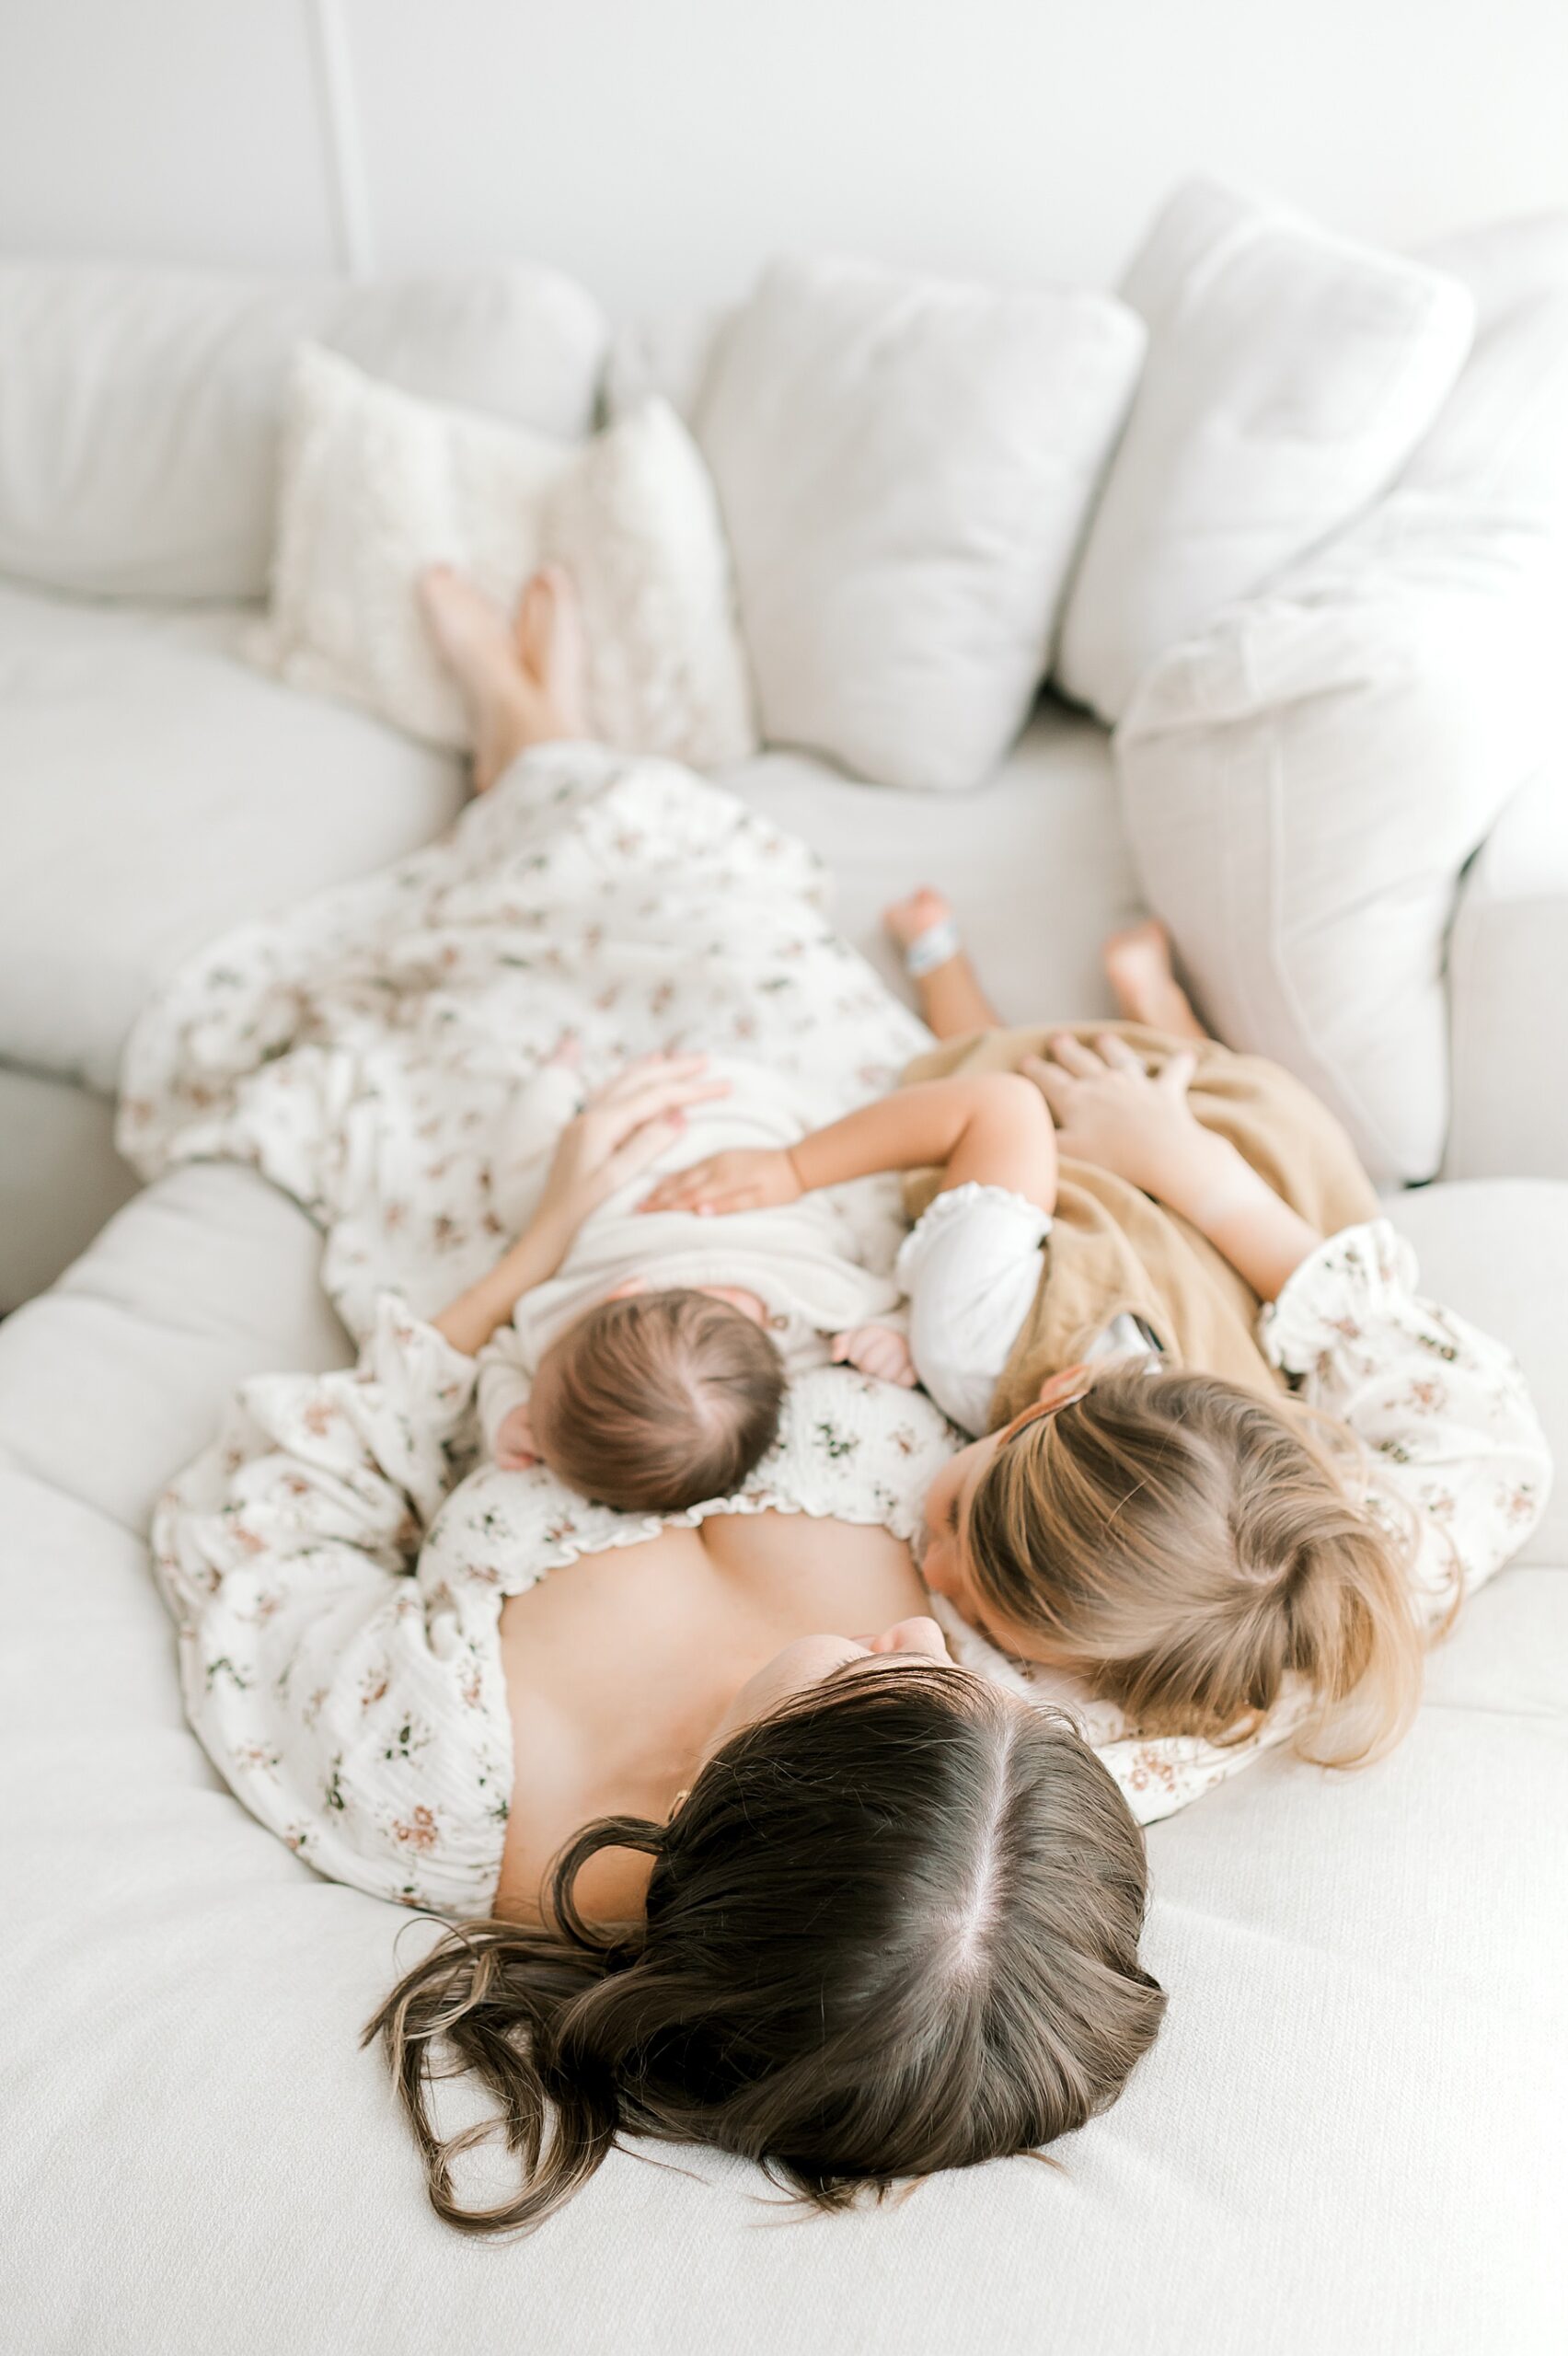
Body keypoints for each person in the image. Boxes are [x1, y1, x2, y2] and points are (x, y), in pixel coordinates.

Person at [153, 568, 1167, 2235]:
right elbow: (1358, 1523)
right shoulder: (1011, 1800)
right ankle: (536, 732)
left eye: (881, 1685)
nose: (937, 1647)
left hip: (512, 1229)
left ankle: (517, 732)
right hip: (811, 1159)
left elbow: (271, 1501)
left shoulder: (433, 1778)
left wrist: (540, 1240)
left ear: (743, 1816)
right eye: (987, 1693)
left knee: (481, 1011)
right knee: (703, 903)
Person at [641, 894, 1551, 1771]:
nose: (940, 1577)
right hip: (1113, 1145)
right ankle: (961, 970)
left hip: (1182, 1247)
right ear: (1055, 1391)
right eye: (956, 1515)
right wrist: (790, 1167)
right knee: (972, 1057)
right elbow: (997, 1107)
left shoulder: (1248, 1598)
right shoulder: (973, 1338)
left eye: (996, 1628)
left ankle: (1168, 1025)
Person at [472, 1045, 917, 1515]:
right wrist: (896, 1332)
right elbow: (503, 1353)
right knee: (522, 1200)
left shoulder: (823, 1311)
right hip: (722, 1113)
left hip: (757, 1113)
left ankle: (554, 1077)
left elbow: (500, 1354)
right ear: (623, 1293)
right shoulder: (818, 1298)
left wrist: (887, 1333)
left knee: (866, 1209)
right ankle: (554, 1081)